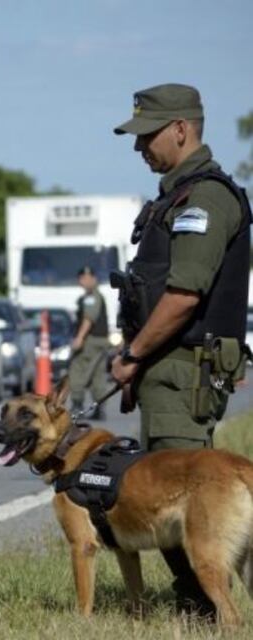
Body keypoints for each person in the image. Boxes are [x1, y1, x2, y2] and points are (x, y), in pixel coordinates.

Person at [109, 84, 252, 619]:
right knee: (162, 498)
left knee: (177, 502)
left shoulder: (206, 198)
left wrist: (131, 356)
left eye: (146, 135)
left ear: (180, 129)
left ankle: (203, 611)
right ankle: (200, 607)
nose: (138, 146)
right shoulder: (176, 196)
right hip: (164, 370)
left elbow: (184, 295)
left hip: (181, 371)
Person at [68, 266, 110, 420]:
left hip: (90, 341)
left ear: (93, 278)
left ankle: (77, 405)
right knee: (97, 375)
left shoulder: (91, 296)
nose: (83, 281)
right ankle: (99, 407)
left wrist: (79, 338)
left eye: (86, 278)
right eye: (81, 278)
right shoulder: (94, 296)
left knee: (78, 370)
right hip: (100, 340)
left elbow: (88, 319)